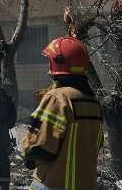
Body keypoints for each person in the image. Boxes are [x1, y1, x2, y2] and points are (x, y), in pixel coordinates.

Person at [23, 37, 104, 190]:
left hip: (53, 183)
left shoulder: (58, 98)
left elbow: (41, 148)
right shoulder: (94, 103)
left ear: (57, 62)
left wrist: (29, 152)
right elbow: (97, 145)